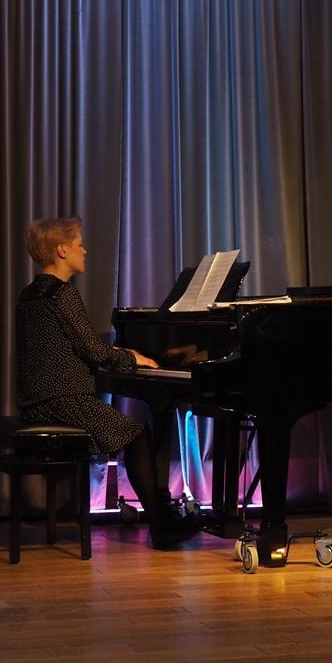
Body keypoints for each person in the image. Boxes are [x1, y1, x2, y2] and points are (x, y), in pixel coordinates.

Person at [15, 216, 201, 549]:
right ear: (62, 250)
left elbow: (71, 346)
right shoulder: (62, 294)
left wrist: (121, 353)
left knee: (134, 432)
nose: (84, 251)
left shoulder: (30, 294)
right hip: (63, 401)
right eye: (79, 244)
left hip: (37, 401)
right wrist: (134, 358)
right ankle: (162, 527)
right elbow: (91, 350)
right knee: (138, 434)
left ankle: (162, 518)